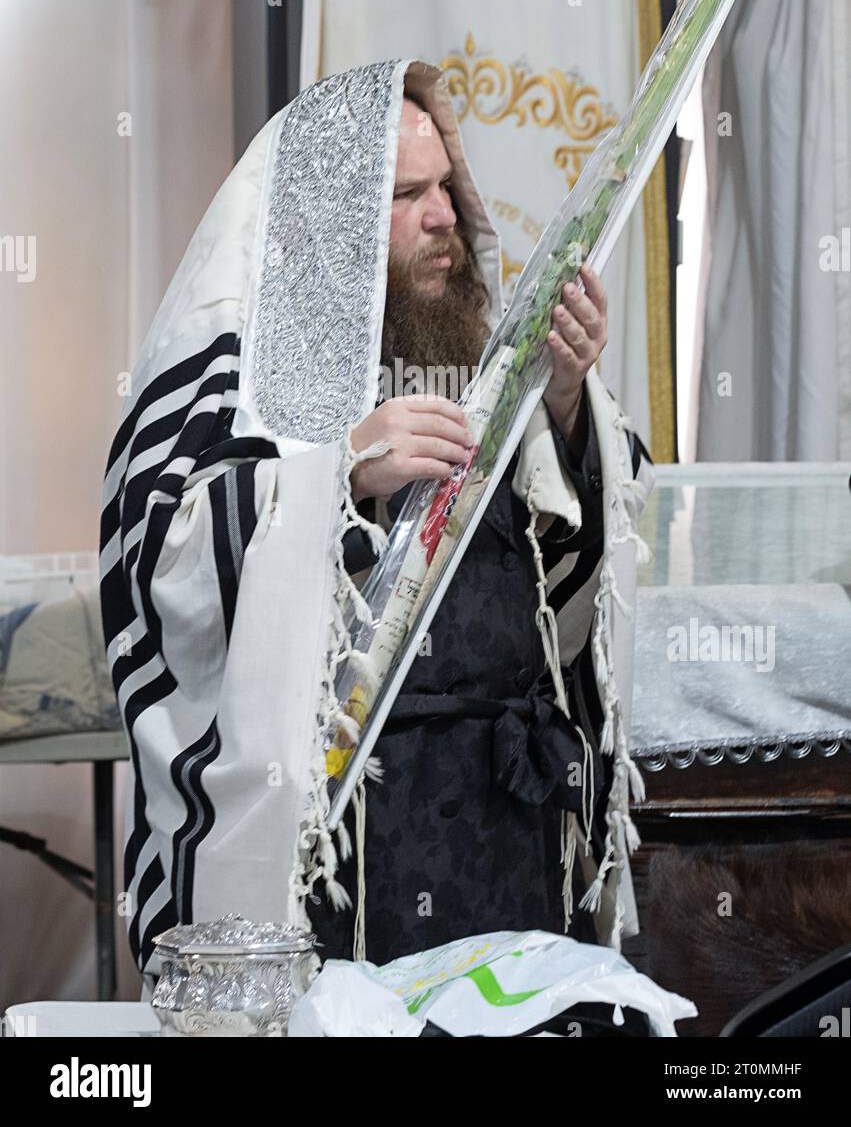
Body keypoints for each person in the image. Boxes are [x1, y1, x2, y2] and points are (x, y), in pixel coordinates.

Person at [100, 59, 651, 983]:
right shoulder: (240, 372)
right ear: (331, 228)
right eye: (406, 195)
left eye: (444, 187)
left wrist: (563, 402)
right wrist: (341, 475)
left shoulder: (480, 355)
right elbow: (159, 570)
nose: (445, 217)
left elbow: (575, 582)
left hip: (505, 829)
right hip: (343, 852)